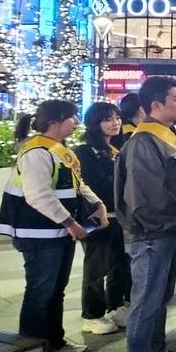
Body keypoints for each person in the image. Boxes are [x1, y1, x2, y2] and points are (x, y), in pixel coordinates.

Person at [0, 100, 106, 352]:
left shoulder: (58, 150)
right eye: (72, 118)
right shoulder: (36, 152)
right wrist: (70, 223)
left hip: (56, 232)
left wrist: (98, 205)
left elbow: (77, 185)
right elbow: (38, 195)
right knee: (39, 292)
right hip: (38, 234)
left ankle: (55, 342)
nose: (76, 123)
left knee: (55, 291)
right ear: (54, 122)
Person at [115, 76, 176, 352]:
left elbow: (175, 184)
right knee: (145, 301)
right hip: (151, 233)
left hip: (166, 230)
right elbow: (147, 196)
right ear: (156, 105)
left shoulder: (164, 137)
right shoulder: (144, 142)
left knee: (159, 298)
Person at [76, 102, 130, 335]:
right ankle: (92, 314)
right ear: (94, 123)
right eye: (108, 119)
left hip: (119, 217)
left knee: (120, 264)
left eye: (117, 117)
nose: (115, 122)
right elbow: (86, 185)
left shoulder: (116, 150)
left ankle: (114, 305)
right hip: (96, 218)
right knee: (96, 267)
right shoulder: (84, 152)